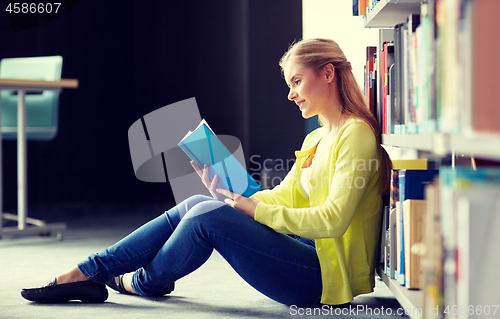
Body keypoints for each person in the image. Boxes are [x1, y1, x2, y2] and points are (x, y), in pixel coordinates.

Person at [21, 38, 391, 307]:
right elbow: (285, 196)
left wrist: (252, 210)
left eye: (296, 81)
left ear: (327, 73)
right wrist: (233, 198)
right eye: (289, 85)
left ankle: (139, 282)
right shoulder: (318, 137)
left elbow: (333, 221)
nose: (291, 94)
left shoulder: (355, 133)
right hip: (306, 253)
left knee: (204, 218)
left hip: (322, 278)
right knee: (200, 202)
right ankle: (90, 271)